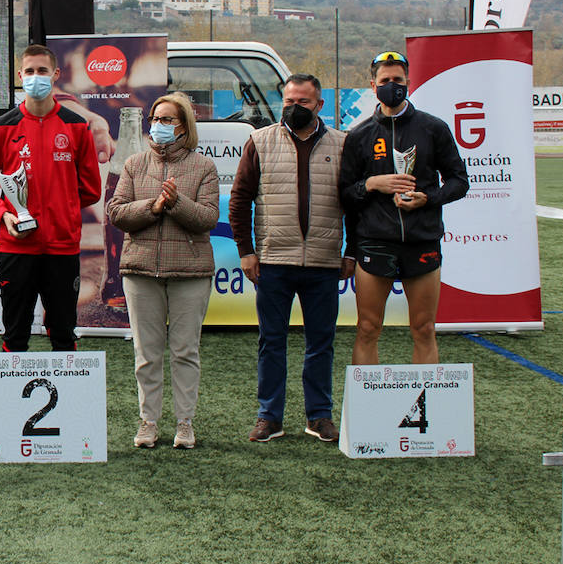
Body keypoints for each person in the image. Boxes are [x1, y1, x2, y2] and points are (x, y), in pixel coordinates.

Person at [229, 74, 353, 444]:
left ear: (319, 105)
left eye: (302, 101)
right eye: (288, 100)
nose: (293, 107)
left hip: (323, 262)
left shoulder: (343, 145)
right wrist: (246, 252)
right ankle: (269, 417)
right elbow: (239, 202)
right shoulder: (259, 141)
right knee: (271, 341)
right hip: (273, 262)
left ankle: (319, 416)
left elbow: (356, 204)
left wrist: (352, 252)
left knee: (321, 342)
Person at [340, 50, 469, 364]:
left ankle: (424, 410)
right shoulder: (358, 136)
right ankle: (368, 408)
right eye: (385, 81)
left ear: (409, 82)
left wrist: (430, 198)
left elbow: (459, 180)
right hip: (376, 241)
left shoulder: (433, 128)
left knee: (424, 328)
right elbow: (345, 194)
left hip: (422, 239)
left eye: (398, 80)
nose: (392, 86)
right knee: (368, 327)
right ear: (373, 86)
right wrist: (372, 184)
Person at [106, 92, 219, 449]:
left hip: (190, 273)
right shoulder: (134, 165)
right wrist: (153, 206)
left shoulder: (204, 167)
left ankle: (184, 423)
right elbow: (117, 213)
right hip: (140, 272)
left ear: (184, 126)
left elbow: (208, 219)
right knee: (146, 352)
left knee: (185, 351)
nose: (159, 125)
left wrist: (176, 202)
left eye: (168, 120)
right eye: (156, 118)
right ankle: (148, 422)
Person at [0, 44, 102, 352]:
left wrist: (62, 208)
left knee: (63, 333)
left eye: (42, 71)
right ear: (21, 76)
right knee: (15, 334)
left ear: (55, 75)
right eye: (29, 71)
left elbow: (91, 190)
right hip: (16, 246)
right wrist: (5, 214)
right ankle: (11, 400)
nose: (35, 77)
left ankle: (68, 398)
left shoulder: (76, 126)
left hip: (62, 245)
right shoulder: (2, 128)